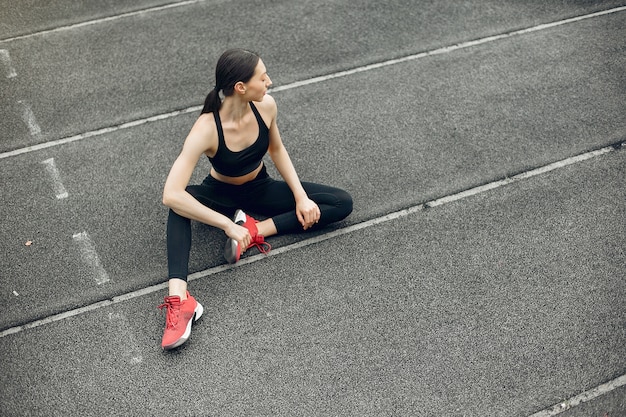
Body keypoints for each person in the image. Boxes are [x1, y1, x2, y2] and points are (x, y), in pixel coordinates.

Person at [158, 49, 353, 350]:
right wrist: (227, 225)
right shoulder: (207, 128)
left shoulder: (266, 107)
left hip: (260, 188)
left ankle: (255, 230)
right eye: (262, 77)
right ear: (240, 87)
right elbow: (170, 193)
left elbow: (276, 150)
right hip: (218, 195)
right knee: (179, 206)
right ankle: (180, 300)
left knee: (341, 202)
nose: (269, 82)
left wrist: (301, 197)